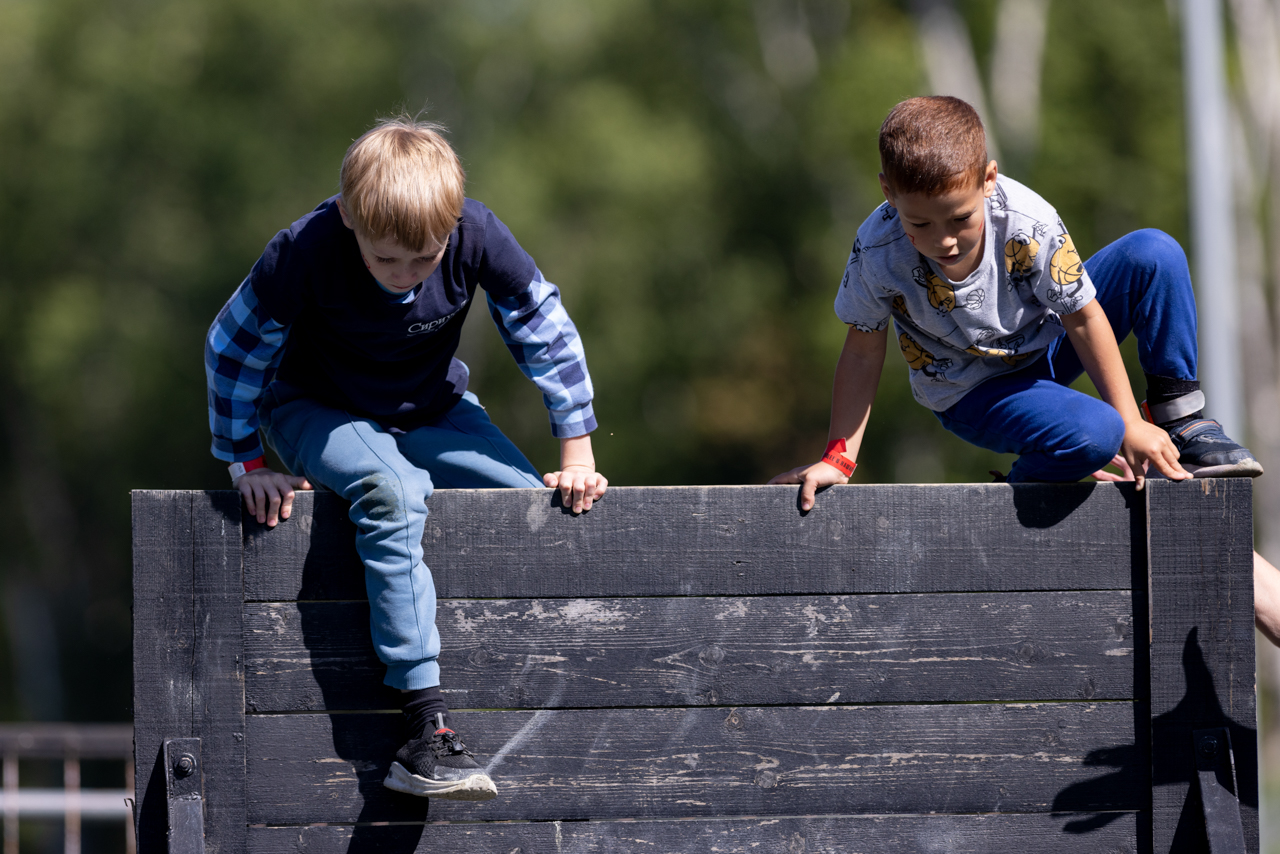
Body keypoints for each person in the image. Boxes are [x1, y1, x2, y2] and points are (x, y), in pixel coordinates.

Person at [205, 115, 607, 801]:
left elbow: (544, 328)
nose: (404, 275)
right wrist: (247, 463)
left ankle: (517, 698)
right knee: (392, 489)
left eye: (423, 259)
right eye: (385, 258)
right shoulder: (303, 251)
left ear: (453, 226)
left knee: (525, 504)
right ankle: (425, 726)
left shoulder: (478, 235)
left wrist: (576, 448)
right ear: (349, 220)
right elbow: (232, 351)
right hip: (314, 408)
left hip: (429, 407)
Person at [770, 95, 1261, 510]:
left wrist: (1136, 422)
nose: (944, 242)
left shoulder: (1028, 221)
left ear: (988, 180)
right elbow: (861, 350)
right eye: (920, 224)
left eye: (960, 219)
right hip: (972, 391)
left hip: (1044, 347)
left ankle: (1182, 423)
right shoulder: (877, 252)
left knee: (1153, 252)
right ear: (888, 194)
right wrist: (839, 457)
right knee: (1098, 433)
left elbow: (1084, 317)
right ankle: (1028, 483)